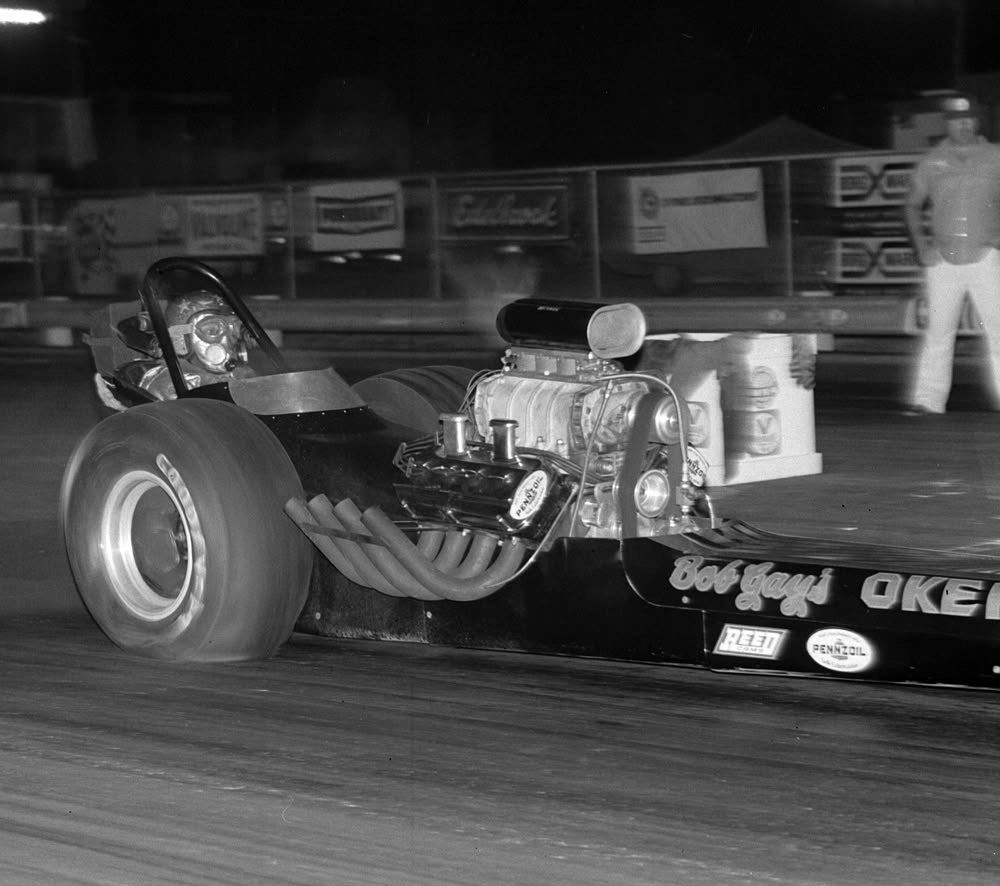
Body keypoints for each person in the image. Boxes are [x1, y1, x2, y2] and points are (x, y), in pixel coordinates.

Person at [903, 94, 1000, 415]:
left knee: (999, 331)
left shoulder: (995, 156)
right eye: (957, 120)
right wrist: (922, 247)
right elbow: (912, 205)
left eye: (969, 119)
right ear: (947, 124)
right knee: (938, 333)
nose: (963, 125)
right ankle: (928, 401)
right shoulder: (932, 161)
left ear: (977, 121)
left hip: (986, 257)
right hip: (942, 261)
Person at [139, 290, 253, 400]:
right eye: (212, 330)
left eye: (235, 331)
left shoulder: (242, 374)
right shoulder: (171, 386)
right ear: (181, 341)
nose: (230, 341)